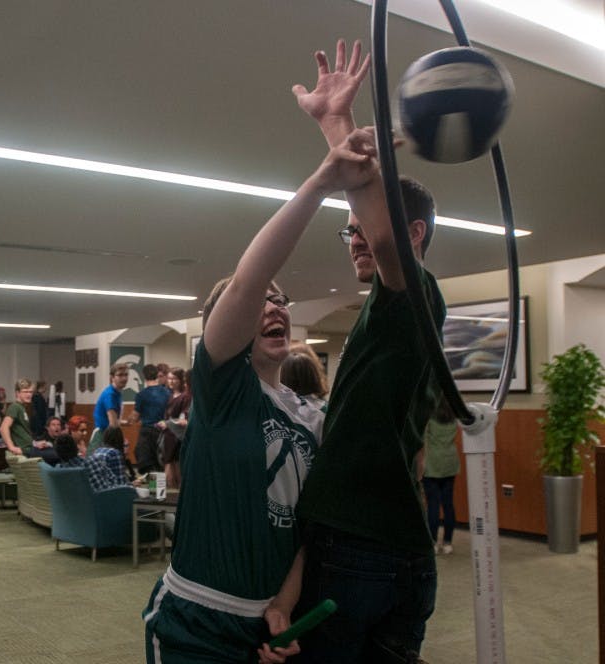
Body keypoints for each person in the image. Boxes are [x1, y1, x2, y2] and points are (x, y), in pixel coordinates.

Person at [144, 110, 369, 660]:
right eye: (260, 300)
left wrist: (282, 608)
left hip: (267, 624)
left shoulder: (311, 417)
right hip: (194, 618)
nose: (274, 304)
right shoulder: (224, 390)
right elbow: (247, 280)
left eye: (282, 299)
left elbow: (302, 527)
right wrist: (320, 183)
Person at [291, 40, 446, 663]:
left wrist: (335, 122)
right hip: (386, 543)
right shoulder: (391, 314)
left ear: (415, 236)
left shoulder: (412, 294)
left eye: (363, 230)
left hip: (362, 552)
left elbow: (383, 236)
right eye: (348, 231)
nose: (354, 240)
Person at [423, 395, 460, 555]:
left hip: (432, 462)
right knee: (448, 504)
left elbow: (422, 439)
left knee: (433, 505)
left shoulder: (429, 417)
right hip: (450, 461)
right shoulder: (454, 416)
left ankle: (432, 542)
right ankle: (448, 543)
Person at [156, 367, 192, 490]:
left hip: (177, 437)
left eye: (174, 378)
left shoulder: (185, 397)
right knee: (168, 464)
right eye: (169, 378)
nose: (171, 381)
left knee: (175, 466)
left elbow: (183, 419)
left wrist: (168, 423)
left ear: (181, 380)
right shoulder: (171, 395)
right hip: (168, 436)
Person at [132, 364, 172, 475]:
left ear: (144, 376)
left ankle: (152, 489)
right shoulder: (167, 393)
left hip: (147, 432)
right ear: (157, 375)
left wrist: (127, 421)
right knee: (160, 461)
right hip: (163, 431)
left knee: (147, 463)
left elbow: (135, 417)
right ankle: (160, 490)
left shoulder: (141, 395)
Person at [90, 363, 129, 452]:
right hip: (103, 436)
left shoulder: (117, 393)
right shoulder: (110, 394)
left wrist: (125, 422)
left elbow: (114, 420)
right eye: (120, 375)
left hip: (108, 435)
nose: (124, 378)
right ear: (112, 377)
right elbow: (113, 424)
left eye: (126, 375)